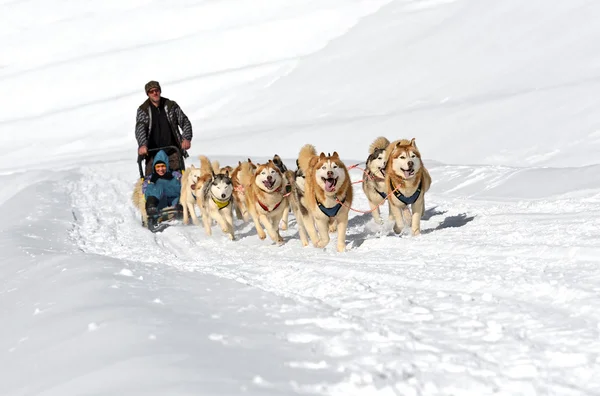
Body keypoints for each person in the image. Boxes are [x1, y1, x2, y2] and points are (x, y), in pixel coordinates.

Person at [135, 80, 193, 175]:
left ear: (160, 91)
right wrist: (142, 144)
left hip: (172, 151)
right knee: (150, 183)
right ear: (148, 94)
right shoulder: (143, 109)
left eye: (156, 90)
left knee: (178, 180)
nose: (155, 93)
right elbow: (140, 128)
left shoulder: (171, 106)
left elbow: (185, 121)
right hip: (152, 153)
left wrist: (186, 138)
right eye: (151, 91)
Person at [143, 150, 182, 216]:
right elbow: (145, 192)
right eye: (158, 167)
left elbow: (183, 186)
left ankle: (178, 212)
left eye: (163, 166)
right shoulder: (151, 178)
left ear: (166, 166)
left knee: (178, 199)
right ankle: (152, 208)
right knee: (158, 186)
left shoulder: (175, 175)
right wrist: (152, 183)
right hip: (159, 202)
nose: (160, 169)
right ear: (154, 167)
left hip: (174, 200)